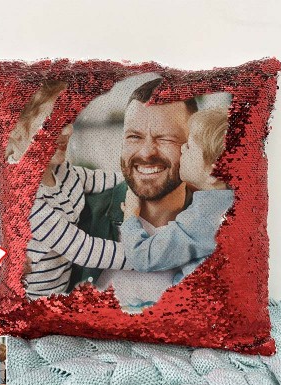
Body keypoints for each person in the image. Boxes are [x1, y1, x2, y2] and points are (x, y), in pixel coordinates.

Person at [71, 78, 202, 308]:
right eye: (134, 137)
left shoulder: (216, 228)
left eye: (165, 138)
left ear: (193, 146)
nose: (146, 152)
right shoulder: (80, 216)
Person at [6, 80, 127, 299]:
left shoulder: (62, 172)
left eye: (69, 119)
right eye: (54, 122)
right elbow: (83, 249)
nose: (68, 129)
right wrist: (145, 256)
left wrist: (137, 178)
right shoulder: (23, 198)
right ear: (17, 132)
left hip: (60, 294)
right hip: (32, 303)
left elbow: (98, 179)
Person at [119, 108, 234, 286]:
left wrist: (131, 216)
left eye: (188, 146)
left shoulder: (203, 220)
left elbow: (143, 257)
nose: (182, 148)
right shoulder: (232, 207)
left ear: (213, 172)